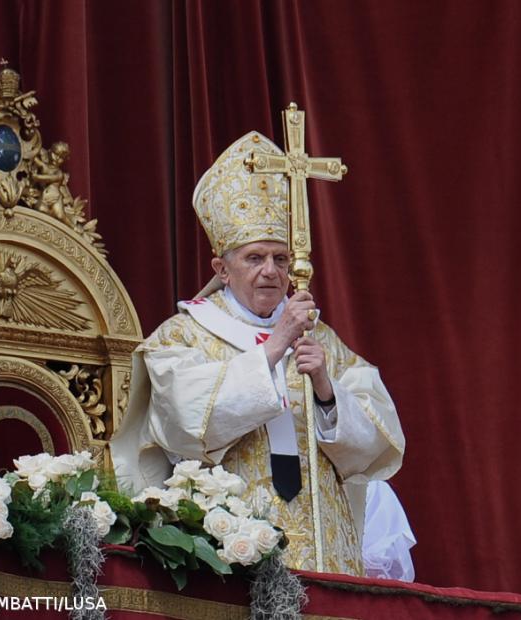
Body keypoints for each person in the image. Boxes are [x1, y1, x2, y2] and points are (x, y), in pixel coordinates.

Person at [110, 131, 405, 574]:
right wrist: (273, 350)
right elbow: (183, 426)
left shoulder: (320, 340)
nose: (271, 272)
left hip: (326, 547)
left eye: (281, 259)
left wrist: (326, 390)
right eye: (254, 258)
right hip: (230, 547)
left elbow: (376, 446)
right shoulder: (181, 337)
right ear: (221, 269)